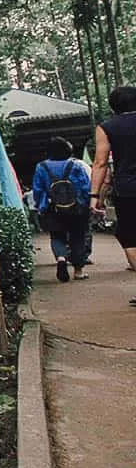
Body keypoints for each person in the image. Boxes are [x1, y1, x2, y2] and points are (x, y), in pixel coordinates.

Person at [90, 86, 136, 305]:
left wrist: (94, 195)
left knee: (130, 238)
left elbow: (100, 163)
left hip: (128, 190)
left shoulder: (107, 127)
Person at [33, 136, 91, 282]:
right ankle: (78, 271)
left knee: (57, 236)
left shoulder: (41, 167)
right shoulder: (76, 165)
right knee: (78, 237)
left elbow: (38, 190)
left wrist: (40, 206)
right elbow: (85, 187)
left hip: (53, 207)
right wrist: (88, 204)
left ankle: (61, 258)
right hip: (77, 208)